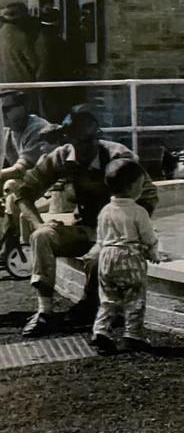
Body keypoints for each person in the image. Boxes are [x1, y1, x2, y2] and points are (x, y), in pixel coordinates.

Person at [16, 106, 159, 338]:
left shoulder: (118, 158)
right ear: (68, 138)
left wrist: (133, 231)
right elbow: (24, 193)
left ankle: (89, 304)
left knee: (99, 255)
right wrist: (38, 224)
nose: (88, 145)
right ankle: (45, 312)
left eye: (93, 137)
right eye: (81, 140)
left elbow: (149, 195)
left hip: (115, 233)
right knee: (41, 237)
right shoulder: (61, 157)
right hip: (85, 227)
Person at [91, 159, 161, 354]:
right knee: (135, 298)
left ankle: (101, 331)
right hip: (129, 258)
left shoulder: (105, 211)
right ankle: (132, 335)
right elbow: (148, 236)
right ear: (132, 187)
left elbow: (100, 238)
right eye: (140, 185)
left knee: (108, 299)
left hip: (106, 257)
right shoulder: (138, 211)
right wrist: (154, 251)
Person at [1, 90, 57, 247]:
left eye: (6, 109)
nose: (2, 115)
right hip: (33, 186)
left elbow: (21, 169)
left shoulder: (38, 129)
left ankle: (12, 246)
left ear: (23, 106)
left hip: (50, 192)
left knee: (11, 188)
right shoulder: (8, 131)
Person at [0, 3, 40, 111]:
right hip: (24, 85)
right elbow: (34, 63)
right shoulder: (21, 36)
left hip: (4, 85)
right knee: (29, 117)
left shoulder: (1, 34)